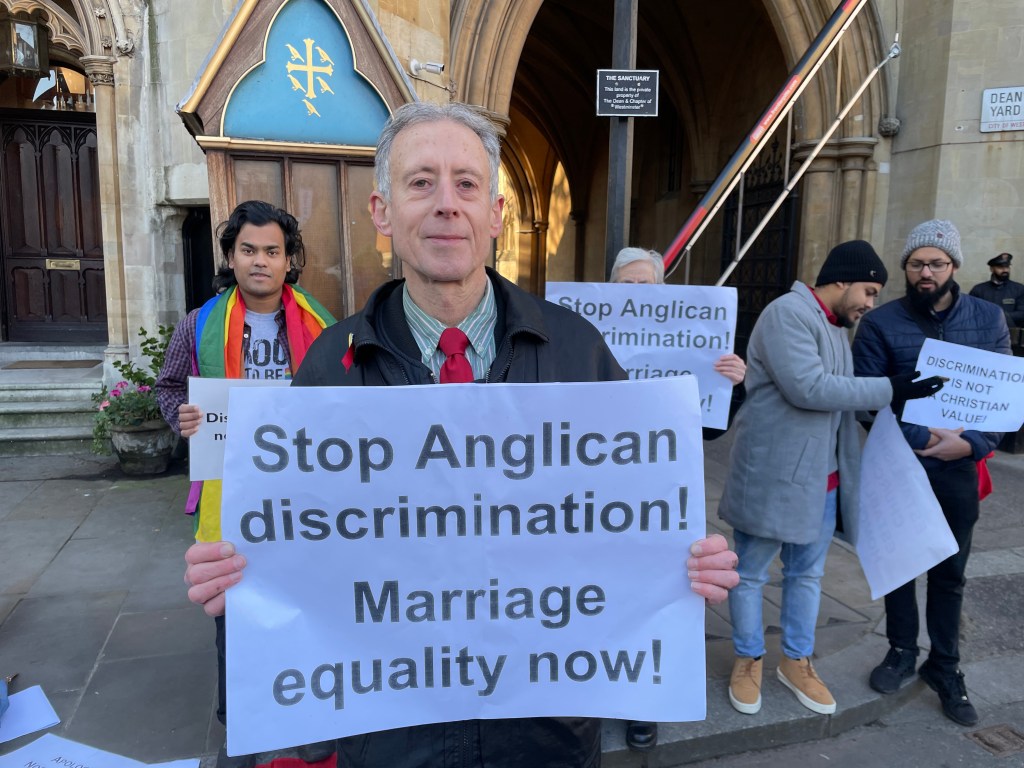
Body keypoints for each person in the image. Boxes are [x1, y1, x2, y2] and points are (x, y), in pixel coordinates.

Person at [181, 103, 739, 768]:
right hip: (393, 737)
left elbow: (633, 514)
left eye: (467, 184)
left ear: (496, 213)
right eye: (422, 183)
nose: (448, 204)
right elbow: (303, 546)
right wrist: (244, 574)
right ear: (382, 213)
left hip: (547, 734)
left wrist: (683, 563)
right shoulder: (330, 364)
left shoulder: (578, 350)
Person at [718, 240, 944, 718]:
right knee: (750, 574)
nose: (870, 304)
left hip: (821, 478)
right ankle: (748, 658)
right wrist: (891, 388)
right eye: (868, 291)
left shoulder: (835, 324)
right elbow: (810, 388)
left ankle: (796, 661)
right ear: (841, 281)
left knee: (806, 574)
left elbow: (841, 395)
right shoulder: (788, 314)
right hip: (773, 476)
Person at [154, 199, 336, 768]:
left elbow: (342, 401)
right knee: (233, 614)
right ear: (231, 256)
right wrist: (180, 415)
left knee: (307, 605)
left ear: (289, 261)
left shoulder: (324, 326)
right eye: (249, 250)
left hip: (302, 498)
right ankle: (241, 729)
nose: (260, 261)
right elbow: (167, 388)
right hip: (229, 499)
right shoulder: (199, 323)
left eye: (272, 251)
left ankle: (312, 718)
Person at [853, 219, 1011, 727]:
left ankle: (945, 666)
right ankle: (901, 650)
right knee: (900, 563)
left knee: (950, 573)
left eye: (936, 263)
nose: (926, 272)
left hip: (960, 467)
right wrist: (924, 441)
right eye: (917, 263)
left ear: (954, 266)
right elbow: (865, 397)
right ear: (906, 267)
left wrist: (970, 444)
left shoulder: (988, 319)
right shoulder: (881, 323)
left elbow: (1005, 399)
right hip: (900, 465)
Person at [609, 246, 745, 751]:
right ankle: (588, 687)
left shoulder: (686, 347)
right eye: (627, 286)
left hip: (659, 501)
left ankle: (643, 706)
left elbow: (709, 429)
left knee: (654, 599)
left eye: (648, 287)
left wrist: (729, 382)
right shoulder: (583, 342)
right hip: (595, 498)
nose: (639, 296)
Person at [969, 252, 1024, 328]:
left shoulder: (1019, 289)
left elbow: (1022, 313)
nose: (1005, 270)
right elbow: (970, 313)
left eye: (1007, 267)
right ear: (992, 269)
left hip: (1011, 334)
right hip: (985, 333)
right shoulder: (979, 290)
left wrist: (1000, 316)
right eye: (1000, 267)